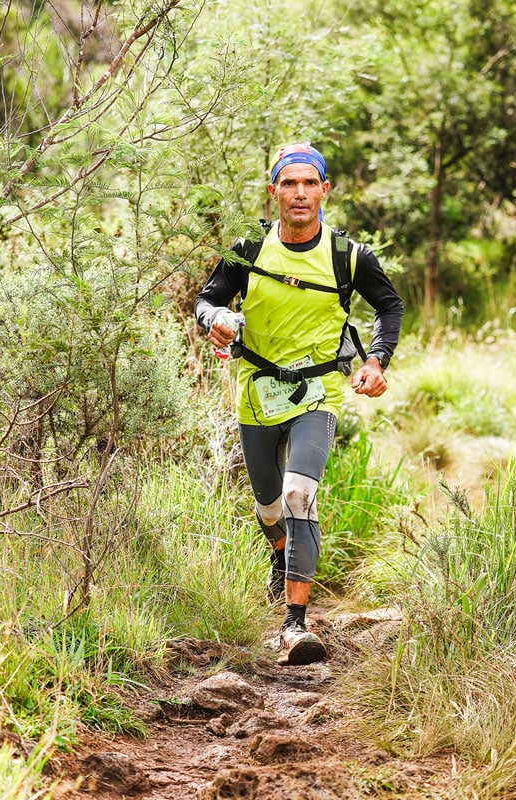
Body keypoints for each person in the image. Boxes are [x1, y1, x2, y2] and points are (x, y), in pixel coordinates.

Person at [194, 143, 403, 666]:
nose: (300, 193)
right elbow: (207, 299)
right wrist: (215, 319)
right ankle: (279, 553)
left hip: (318, 391)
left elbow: (390, 305)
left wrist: (376, 360)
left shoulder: (348, 256)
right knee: (270, 508)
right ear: (274, 192)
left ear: (324, 190)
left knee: (298, 496)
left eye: (310, 183)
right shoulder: (248, 249)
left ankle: (295, 624)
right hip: (257, 391)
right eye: (289, 183)